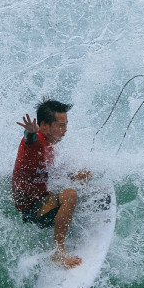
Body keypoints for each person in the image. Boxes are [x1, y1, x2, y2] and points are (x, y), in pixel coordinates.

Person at [13, 99, 90, 268]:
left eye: (66, 125)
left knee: (81, 179)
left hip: (43, 200)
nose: (65, 130)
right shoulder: (36, 141)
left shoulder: (49, 147)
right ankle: (58, 252)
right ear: (43, 125)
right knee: (70, 195)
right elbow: (30, 140)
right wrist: (30, 132)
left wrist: (76, 176)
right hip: (32, 209)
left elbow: (53, 171)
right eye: (60, 125)